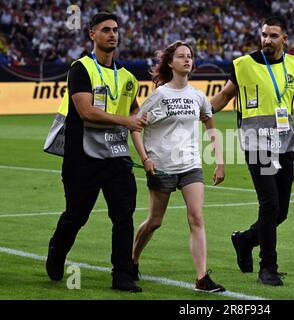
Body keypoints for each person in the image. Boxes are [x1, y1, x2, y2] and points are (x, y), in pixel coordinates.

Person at [208, 16, 294, 286]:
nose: (267, 40)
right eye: (264, 35)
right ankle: (267, 268)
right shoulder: (244, 65)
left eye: (273, 36)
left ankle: (245, 240)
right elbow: (225, 95)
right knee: (270, 204)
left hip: (284, 144)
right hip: (256, 144)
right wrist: (199, 111)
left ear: (284, 39)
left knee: (280, 212)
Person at [45, 12, 147, 292]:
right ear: (92, 34)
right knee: (76, 215)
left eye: (115, 30)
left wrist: (152, 117)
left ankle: (122, 274)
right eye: (105, 30)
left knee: (123, 216)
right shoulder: (81, 69)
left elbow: (135, 109)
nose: (112, 34)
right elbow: (86, 111)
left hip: (116, 158)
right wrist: (127, 120)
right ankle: (57, 251)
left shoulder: (126, 77)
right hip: (83, 159)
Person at [130, 40, 226, 293]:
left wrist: (219, 161)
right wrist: (145, 159)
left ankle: (202, 277)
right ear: (170, 63)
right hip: (161, 165)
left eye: (190, 56)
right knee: (155, 221)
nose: (187, 60)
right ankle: (132, 260)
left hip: (191, 166)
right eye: (182, 56)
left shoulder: (197, 96)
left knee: (196, 217)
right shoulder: (159, 96)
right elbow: (136, 127)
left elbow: (210, 125)